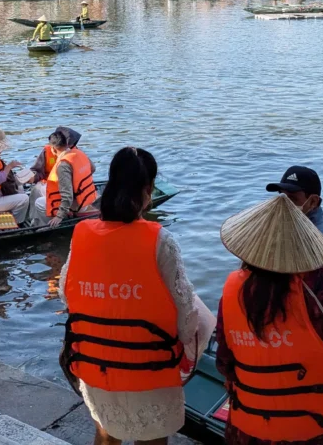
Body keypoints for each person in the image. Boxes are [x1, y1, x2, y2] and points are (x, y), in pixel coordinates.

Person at [60, 147, 209, 445]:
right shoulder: (161, 240)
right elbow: (186, 319)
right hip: (149, 370)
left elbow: (67, 294)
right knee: (152, 440)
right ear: (148, 188)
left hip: (95, 363)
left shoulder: (81, 233)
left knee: (105, 433)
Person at [216, 194, 323, 445]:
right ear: (304, 245)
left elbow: (224, 363)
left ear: (252, 246)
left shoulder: (231, 291)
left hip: (251, 431)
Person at [266, 166, 323, 301]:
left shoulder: (317, 247)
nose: (284, 205)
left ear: (313, 201)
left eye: (292, 199)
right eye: (282, 197)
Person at [36, 126, 97, 227]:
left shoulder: (63, 165)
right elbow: (93, 168)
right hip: (87, 197)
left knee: (39, 203)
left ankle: (47, 226)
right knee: (41, 189)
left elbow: (67, 195)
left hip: (76, 204)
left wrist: (59, 216)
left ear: (53, 149)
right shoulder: (79, 153)